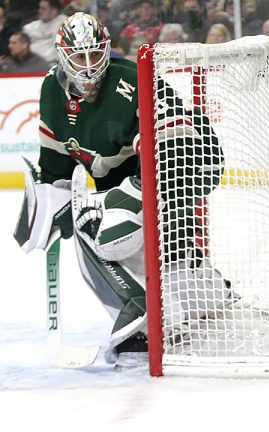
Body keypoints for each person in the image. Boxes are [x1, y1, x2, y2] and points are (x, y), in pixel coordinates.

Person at [17, 12, 229, 369]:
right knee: (115, 227)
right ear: (62, 55)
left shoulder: (132, 80)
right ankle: (205, 293)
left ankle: (142, 328)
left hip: (187, 163)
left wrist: (138, 191)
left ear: (107, 50)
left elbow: (178, 148)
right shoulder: (51, 92)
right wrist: (50, 200)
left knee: (102, 225)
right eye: (79, 57)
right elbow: (56, 162)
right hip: (136, 180)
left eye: (95, 55)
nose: (88, 67)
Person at [22, 0, 66, 64]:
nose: (39, 11)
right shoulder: (30, 27)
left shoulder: (64, 24)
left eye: (44, 9)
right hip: (28, 63)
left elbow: (58, 50)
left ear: (54, 10)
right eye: (40, 8)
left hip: (53, 63)